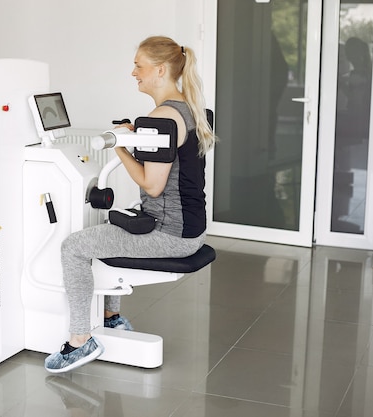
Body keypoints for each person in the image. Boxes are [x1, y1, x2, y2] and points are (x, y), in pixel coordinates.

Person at [45, 35, 216, 373]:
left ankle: (80, 340)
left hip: (171, 235)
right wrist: (135, 133)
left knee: (74, 247)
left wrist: (120, 146)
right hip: (191, 228)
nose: (133, 72)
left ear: (160, 69)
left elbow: (152, 186)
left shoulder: (162, 119)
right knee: (109, 227)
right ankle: (112, 318)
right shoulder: (191, 109)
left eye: (139, 65)